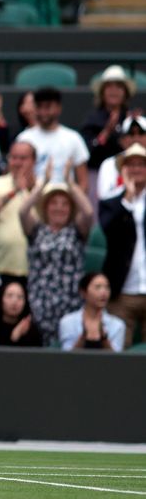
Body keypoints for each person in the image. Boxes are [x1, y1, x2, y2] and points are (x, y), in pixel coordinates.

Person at [18, 159, 94, 344]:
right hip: (40, 304)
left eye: (65, 204)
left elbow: (89, 212)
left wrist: (70, 182)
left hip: (71, 303)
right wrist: (43, 182)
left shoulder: (76, 231)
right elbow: (22, 211)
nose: (59, 207)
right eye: (54, 203)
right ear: (45, 207)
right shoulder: (37, 231)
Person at [98, 143, 146, 349]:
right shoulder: (111, 201)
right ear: (123, 170)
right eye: (131, 165)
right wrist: (127, 197)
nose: (136, 169)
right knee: (119, 355)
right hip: (122, 292)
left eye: (141, 164)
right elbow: (107, 228)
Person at [16, 86, 89, 192]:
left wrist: (74, 205)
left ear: (59, 108)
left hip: (64, 202)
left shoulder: (73, 138)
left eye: (48, 107)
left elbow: (84, 182)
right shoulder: (24, 138)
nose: (43, 112)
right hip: (31, 199)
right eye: (39, 107)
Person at [0, 141, 38, 288]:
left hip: (34, 269)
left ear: (34, 161)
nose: (17, 163)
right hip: (0, 266)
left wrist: (33, 189)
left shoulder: (44, 187)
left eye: (23, 158)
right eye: (13, 158)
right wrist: (14, 191)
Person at [81, 65, 135, 174]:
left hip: (129, 173)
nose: (114, 91)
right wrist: (106, 132)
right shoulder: (92, 120)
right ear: (102, 92)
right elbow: (86, 153)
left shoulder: (133, 120)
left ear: (125, 93)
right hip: (97, 174)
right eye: (109, 86)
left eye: (119, 87)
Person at [59, 272, 125, 352]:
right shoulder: (68, 321)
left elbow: (117, 360)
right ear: (83, 292)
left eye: (107, 287)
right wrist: (83, 338)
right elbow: (66, 358)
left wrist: (104, 338)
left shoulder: (117, 324)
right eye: (98, 287)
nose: (104, 293)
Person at [0, 281, 43, 347]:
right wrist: (13, 339)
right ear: (1, 299)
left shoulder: (31, 331)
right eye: (9, 296)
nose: (14, 301)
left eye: (20, 297)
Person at [98, 116, 146, 201]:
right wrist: (127, 191)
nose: (136, 138)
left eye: (141, 133)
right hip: (120, 212)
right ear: (122, 140)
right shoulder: (109, 164)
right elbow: (104, 198)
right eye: (131, 134)